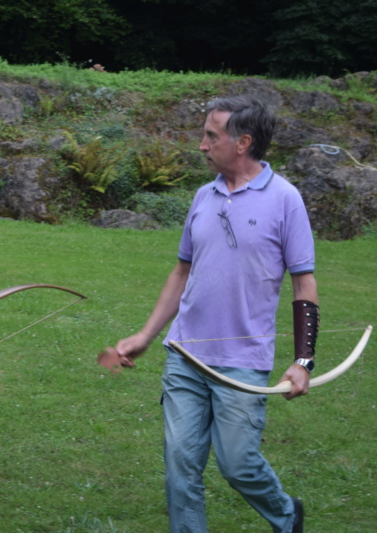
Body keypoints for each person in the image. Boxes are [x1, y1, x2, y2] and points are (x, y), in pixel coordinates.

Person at [114, 96, 318, 533]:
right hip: (185, 355)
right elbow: (182, 272)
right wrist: (147, 335)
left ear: (242, 142)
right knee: (181, 467)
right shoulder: (203, 196)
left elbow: (305, 285)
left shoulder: (285, 199)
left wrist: (303, 362)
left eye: (212, 135)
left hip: (243, 363)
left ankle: (286, 516)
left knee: (238, 464)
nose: (202, 145)